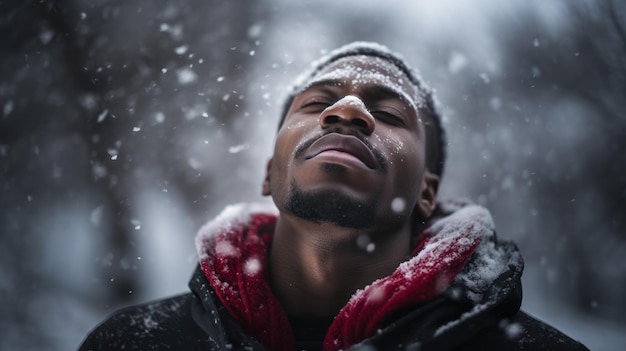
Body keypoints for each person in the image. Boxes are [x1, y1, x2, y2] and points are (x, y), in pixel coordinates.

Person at [79, 42, 588, 351]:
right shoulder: (128, 343)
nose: (347, 110)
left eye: (389, 115)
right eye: (319, 101)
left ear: (426, 193)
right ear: (268, 171)